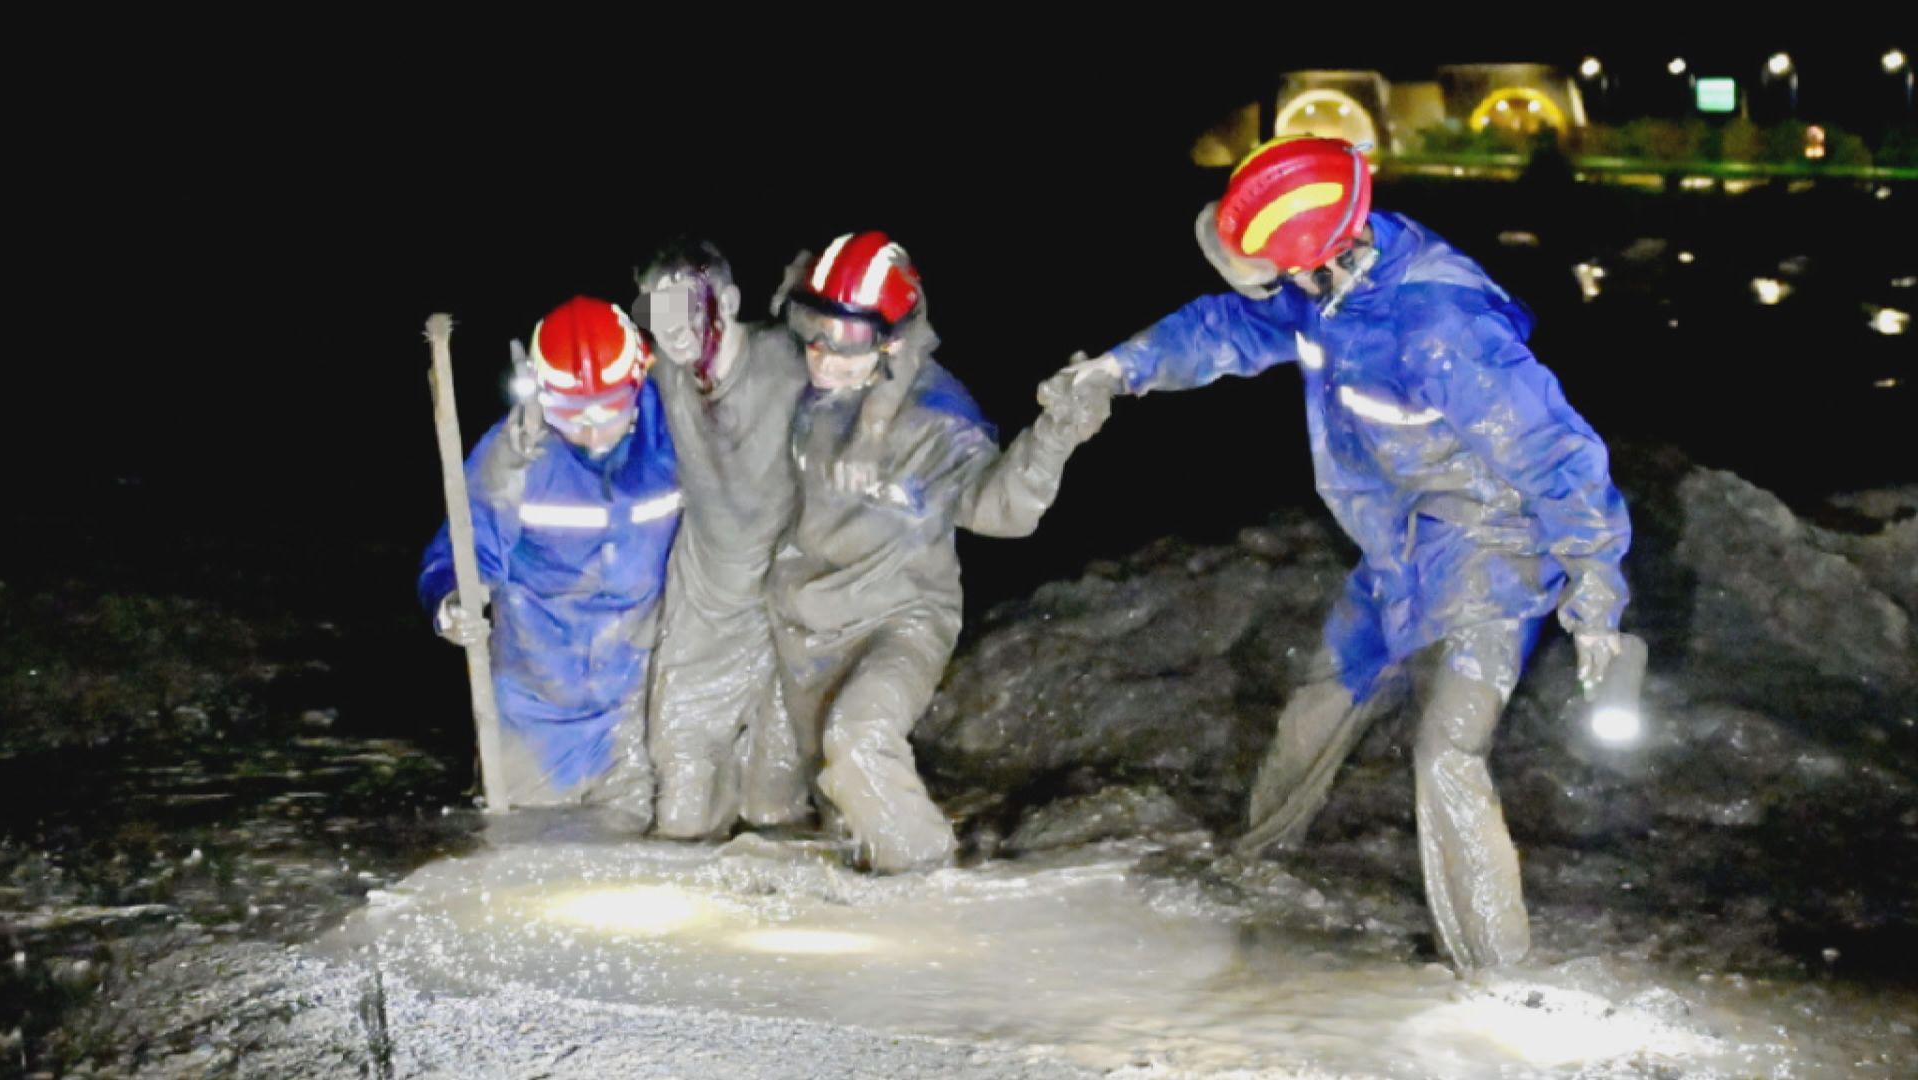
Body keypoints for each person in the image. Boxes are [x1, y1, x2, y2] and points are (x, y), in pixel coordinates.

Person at [1062, 136, 1632, 967]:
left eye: (1280, 272)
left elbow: (1558, 456)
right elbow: (1226, 326)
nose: (1274, 286)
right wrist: (1120, 367)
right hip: (1397, 552)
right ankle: (1252, 868)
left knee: (1447, 752)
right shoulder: (1324, 282)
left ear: (1323, 257)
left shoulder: (1442, 327)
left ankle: (1496, 979)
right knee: (1317, 705)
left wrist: (1595, 594)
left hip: (1491, 552)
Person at [769, 230, 1119, 873]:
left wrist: (1055, 436)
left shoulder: (937, 417)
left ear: (891, 341)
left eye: (846, 340)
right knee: (838, 809)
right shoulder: (801, 388)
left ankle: (939, 902)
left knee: (858, 742)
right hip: (803, 625)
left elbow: (1001, 512)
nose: (822, 354)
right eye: (812, 327)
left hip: (897, 619)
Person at [420, 295, 681, 821]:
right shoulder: (512, 458)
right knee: (522, 852)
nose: (588, 431)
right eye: (568, 413)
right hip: (535, 708)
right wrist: (453, 600)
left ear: (639, 380)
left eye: (608, 410)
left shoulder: (677, 439)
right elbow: (463, 547)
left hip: (638, 704)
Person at [633, 238, 812, 839]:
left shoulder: (791, 363)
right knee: (681, 806)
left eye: (687, 306)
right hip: (706, 604)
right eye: (657, 311)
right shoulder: (662, 373)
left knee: (774, 810)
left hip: (789, 609)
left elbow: (895, 351)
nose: (673, 329)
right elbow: (584, 392)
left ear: (728, 301)